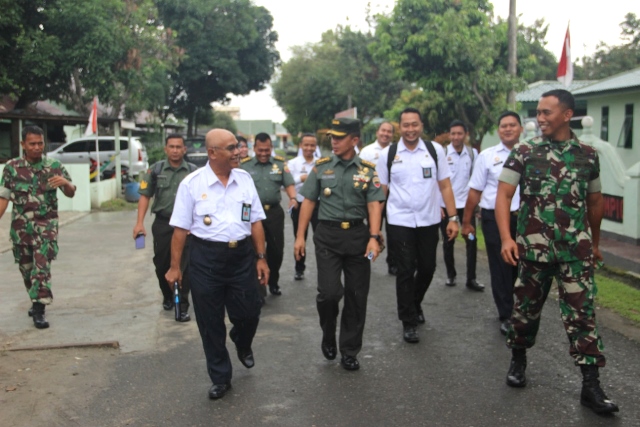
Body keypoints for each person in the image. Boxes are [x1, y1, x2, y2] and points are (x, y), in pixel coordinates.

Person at [496, 89, 619, 414]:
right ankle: (518, 361)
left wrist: (594, 244)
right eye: (538, 112)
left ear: (566, 115)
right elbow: (504, 195)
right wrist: (507, 238)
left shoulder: (587, 155)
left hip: (574, 253)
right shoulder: (524, 151)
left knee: (583, 317)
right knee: (524, 313)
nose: (540, 118)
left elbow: (595, 202)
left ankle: (590, 386)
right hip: (533, 252)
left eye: (547, 112)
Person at [165, 129, 269, 400]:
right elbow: (179, 231)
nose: (238, 152)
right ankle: (221, 377)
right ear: (212, 153)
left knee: (250, 312)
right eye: (231, 147)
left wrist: (261, 258)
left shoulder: (245, 179)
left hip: (241, 257)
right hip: (205, 258)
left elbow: (255, 220)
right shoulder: (191, 184)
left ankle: (242, 341)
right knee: (210, 322)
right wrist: (175, 267)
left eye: (237, 146)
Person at [294, 117, 383, 371]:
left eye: (339, 137)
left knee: (357, 295)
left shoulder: (367, 169)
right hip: (327, 238)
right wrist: (300, 236)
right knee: (329, 293)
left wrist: (374, 238)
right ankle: (328, 331)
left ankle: (349, 350)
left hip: (360, 239)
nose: (333, 141)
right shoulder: (321, 167)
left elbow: (374, 204)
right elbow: (308, 201)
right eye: (332, 137)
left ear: (354, 140)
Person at [377, 108, 458, 344]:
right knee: (404, 270)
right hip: (399, 220)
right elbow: (381, 192)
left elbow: (445, 186)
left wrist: (452, 218)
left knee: (427, 267)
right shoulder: (388, 154)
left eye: (415, 125)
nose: (410, 129)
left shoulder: (434, 151)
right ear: (399, 128)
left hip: (428, 219)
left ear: (421, 126)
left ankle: (414, 302)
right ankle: (408, 321)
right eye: (406, 125)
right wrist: (374, 229)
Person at [0, 125, 76, 329]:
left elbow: (71, 192)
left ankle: (40, 309)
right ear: (23, 144)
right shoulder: (12, 168)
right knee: (26, 269)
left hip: (46, 227)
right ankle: (35, 299)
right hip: (21, 229)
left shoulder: (54, 166)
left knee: (42, 268)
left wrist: (66, 184)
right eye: (32, 143)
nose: (36, 147)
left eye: (40, 143)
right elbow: (3, 199)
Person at [461, 112, 522, 335]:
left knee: (522, 267)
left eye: (512, 125)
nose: (507, 129)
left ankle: (522, 310)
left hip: (525, 219)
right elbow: (475, 190)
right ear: (498, 130)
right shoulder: (487, 156)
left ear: (521, 129)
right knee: (500, 266)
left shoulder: (531, 154)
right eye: (503, 126)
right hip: (493, 218)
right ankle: (506, 314)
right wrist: (466, 223)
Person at [133, 134, 196, 321]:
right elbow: (145, 196)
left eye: (179, 147)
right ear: (165, 149)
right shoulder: (155, 170)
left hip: (187, 226)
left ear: (184, 149)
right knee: (161, 264)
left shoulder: (194, 172)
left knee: (185, 266)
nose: (175, 150)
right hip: (163, 223)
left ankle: (182, 305)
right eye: (172, 146)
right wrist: (139, 223)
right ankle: (168, 295)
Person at [240, 132, 297, 299]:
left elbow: (289, 184)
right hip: (249, 212)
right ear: (254, 148)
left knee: (276, 250)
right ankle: (258, 289)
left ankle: (273, 281)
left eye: (267, 150)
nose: (263, 154)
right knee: (252, 250)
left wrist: (293, 198)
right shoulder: (244, 165)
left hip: (273, 211)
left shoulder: (279, 164)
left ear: (271, 148)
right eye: (260, 150)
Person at [439, 120, 483, 291]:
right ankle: (451, 275)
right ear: (449, 135)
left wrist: (476, 207)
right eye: (453, 133)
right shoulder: (442, 154)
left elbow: (476, 181)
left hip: (467, 207)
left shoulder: (473, 154)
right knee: (448, 240)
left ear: (465, 135)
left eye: (459, 133)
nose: (456, 137)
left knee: (471, 240)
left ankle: (471, 278)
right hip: (447, 207)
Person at [359, 121, 398, 275]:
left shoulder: (397, 151)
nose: (385, 134)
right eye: (383, 131)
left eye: (389, 132)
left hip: (393, 197)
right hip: (372, 197)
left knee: (393, 231)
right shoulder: (367, 151)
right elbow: (360, 173)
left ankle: (393, 263)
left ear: (392, 135)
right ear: (377, 132)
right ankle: (368, 258)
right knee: (372, 230)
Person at [287, 133, 320, 280]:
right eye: (306, 145)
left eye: (312, 145)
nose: (309, 148)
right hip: (299, 204)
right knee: (300, 236)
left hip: (318, 205)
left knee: (321, 237)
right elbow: (286, 184)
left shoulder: (321, 163)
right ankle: (299, 268)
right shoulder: (293, 163)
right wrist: (301, 178)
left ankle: (324, 267)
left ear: (316, 147)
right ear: (300, 145)